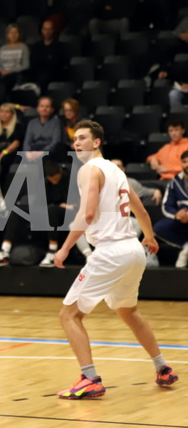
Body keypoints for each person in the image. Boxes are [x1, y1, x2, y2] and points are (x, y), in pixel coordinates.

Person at [53, 120, 178, 399]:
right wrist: (149, 237)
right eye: (75, 139)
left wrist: (64, 249)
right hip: (133, 251)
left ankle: (89, 378)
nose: (77, 143)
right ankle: (163, 368)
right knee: (128, 311)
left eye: (83, 138)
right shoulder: (117, 171)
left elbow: (86, 214)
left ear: (97, 142)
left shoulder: (89, 170)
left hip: (110, 252)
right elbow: (142, 213)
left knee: (69, 315)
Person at [153, 151, 188, 267]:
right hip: (182, 221)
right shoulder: (175, 181)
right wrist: (176, 215)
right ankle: (186, 246)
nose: (187, 164)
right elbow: (167, 205)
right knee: (159, 228)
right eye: (184, 162)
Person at [0, 103, 25, 181]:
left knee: (4, 160)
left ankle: (1, 185)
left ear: (12, 114)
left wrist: (2, 155)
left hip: (10, 152)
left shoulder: (17, 126)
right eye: (2, 112)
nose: (4, 114)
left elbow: (16, 143)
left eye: (7, 112)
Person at [23, 96, 63, 162]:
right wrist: (27, 153)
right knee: (17, 161)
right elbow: (27, 141)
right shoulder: (32, 123)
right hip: (33, 150)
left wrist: (43, 152)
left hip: (48, 151)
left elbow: (56, 142)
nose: (44, 109)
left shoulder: (56, 122)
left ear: (52, 109)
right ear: (38, 108)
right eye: (42, 106)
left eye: (47, 106)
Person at [0, 23, 30, 91]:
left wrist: (10, 71)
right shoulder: (2, 48)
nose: (13, 35)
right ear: (7, 35)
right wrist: (2, 72)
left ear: (19, 34)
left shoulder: (23, 47)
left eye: (16, 32)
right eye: (11, 33)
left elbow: (26, 66)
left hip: (17, 74)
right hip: (3, 74)